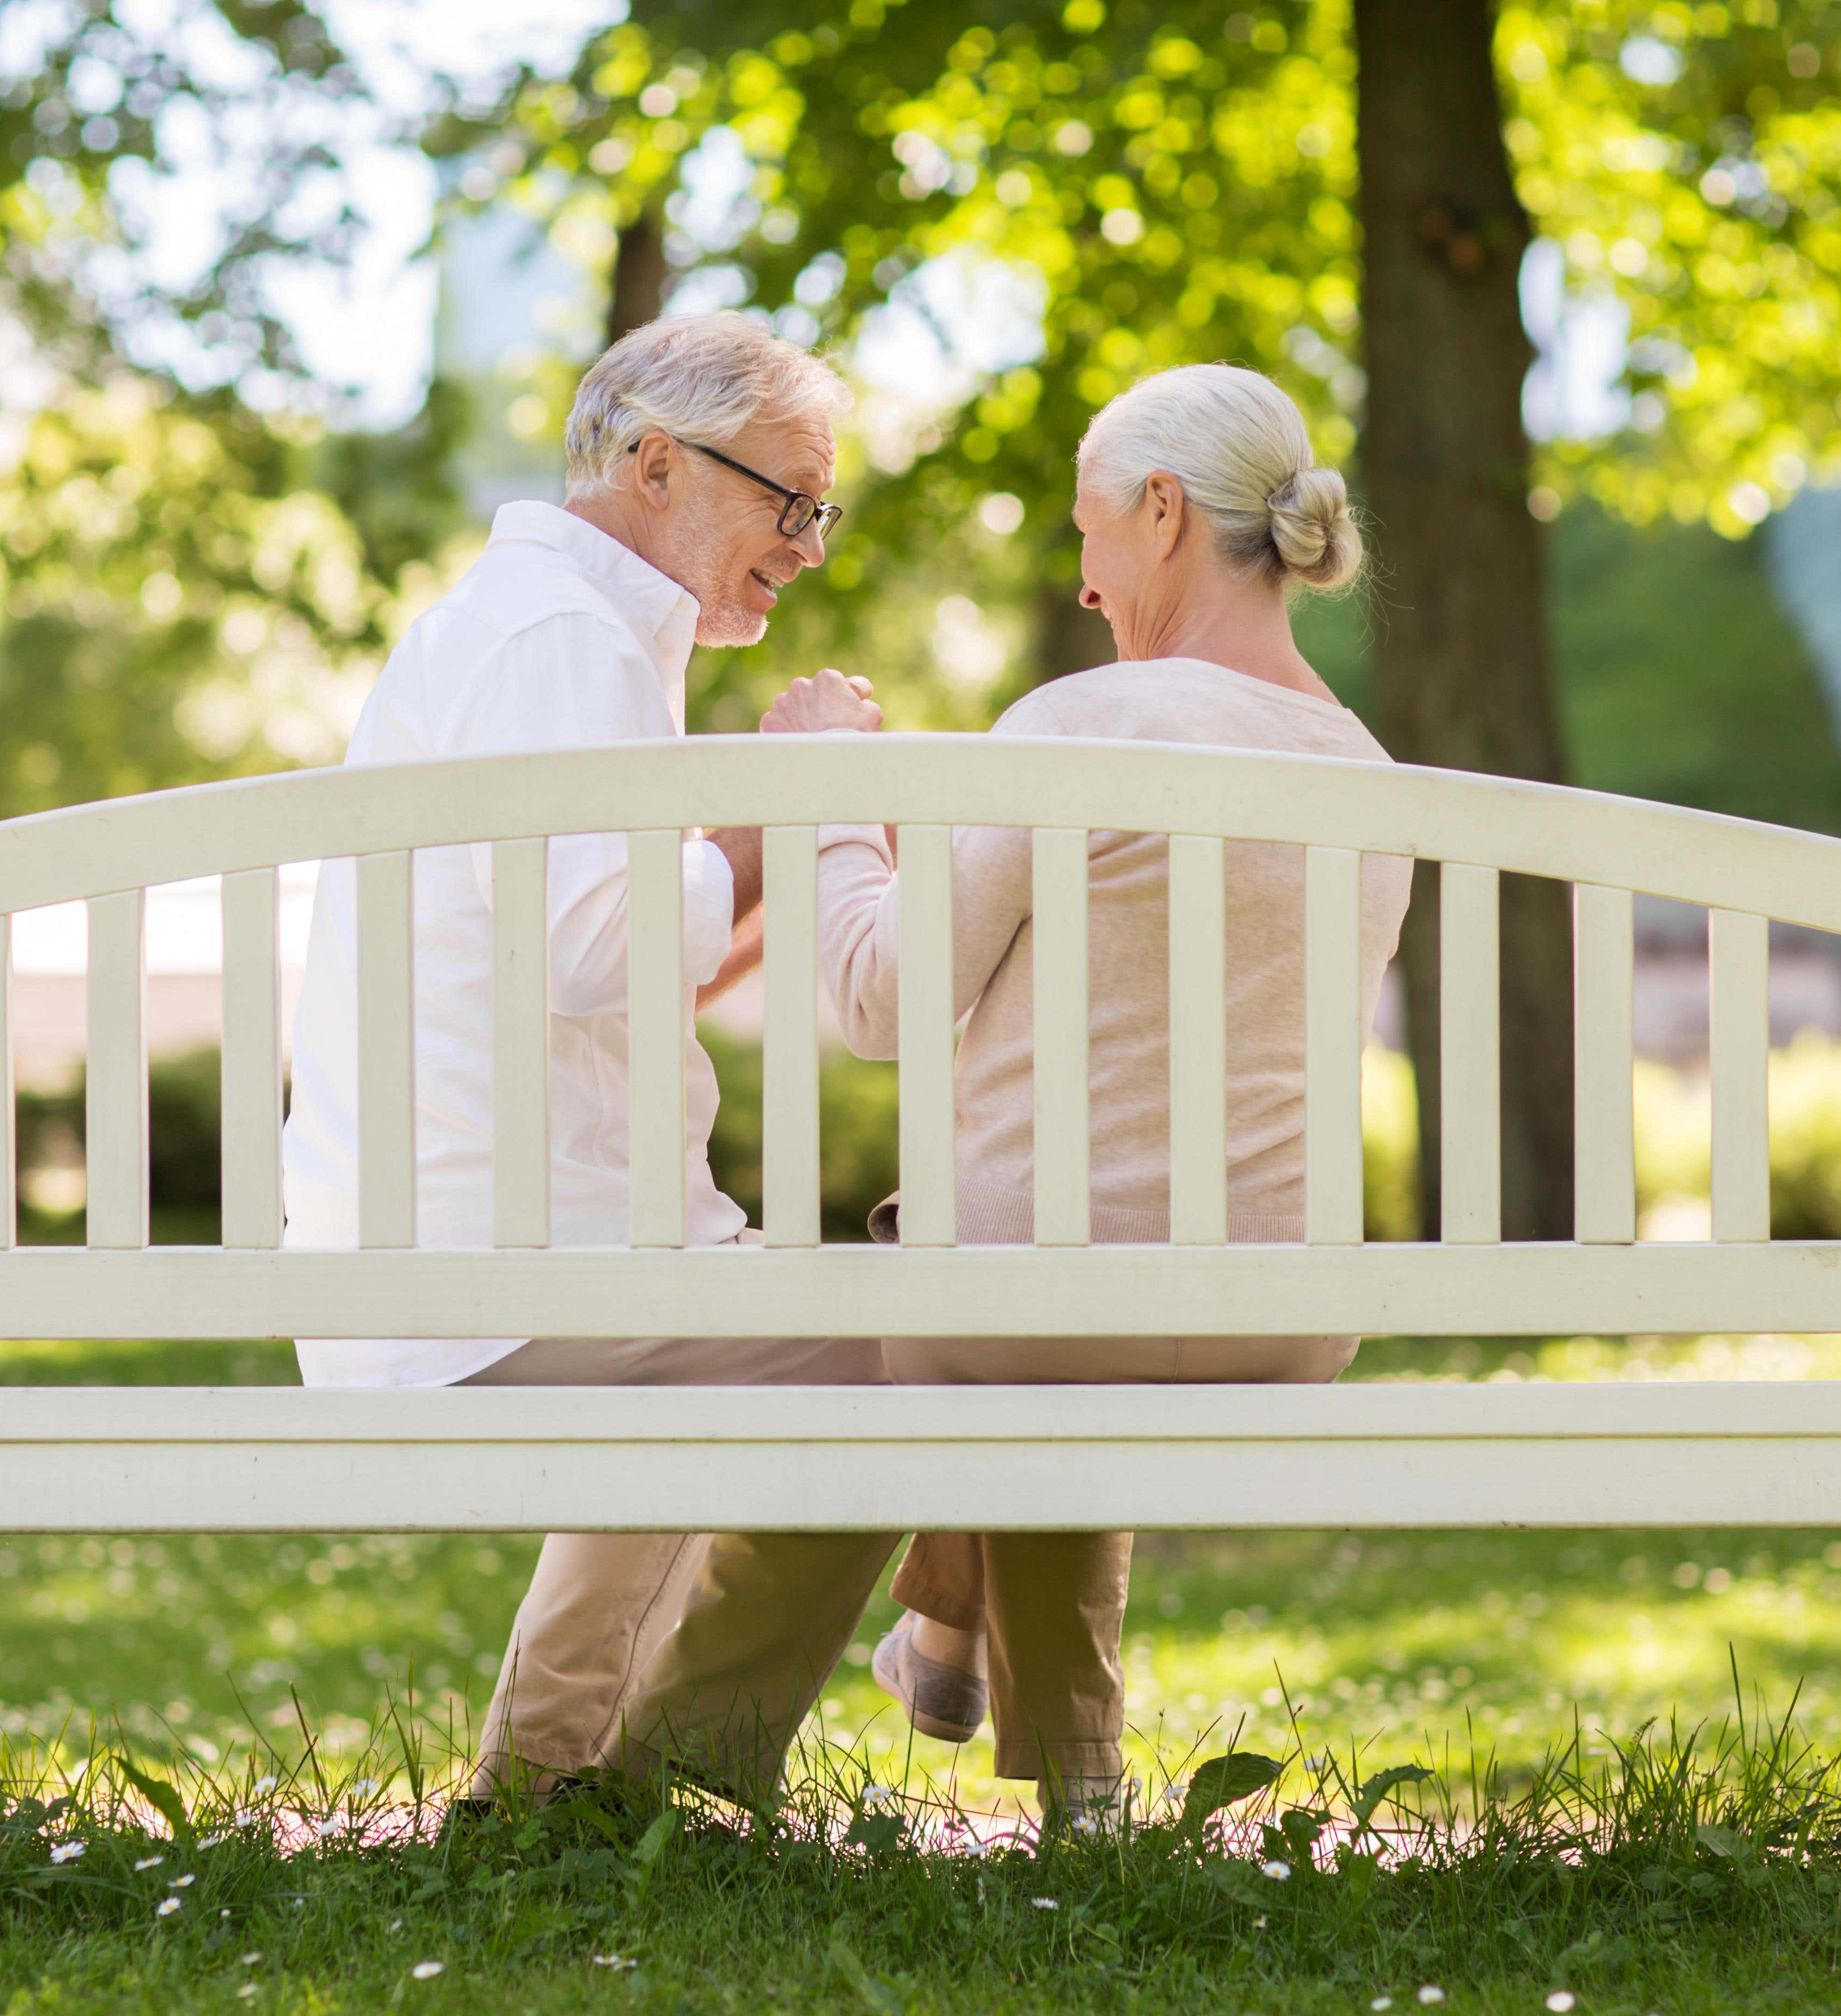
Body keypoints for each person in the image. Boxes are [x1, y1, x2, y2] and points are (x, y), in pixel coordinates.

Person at [605, 363, 1415, 1826]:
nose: (1091, 585)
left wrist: (825, 795)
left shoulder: (1085, 727)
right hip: (1285, 1313)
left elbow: (871, 1001)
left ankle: (670, 1778)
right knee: (1047, 1304)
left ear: (1162, 513)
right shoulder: (1360, 762)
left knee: (886, 1339)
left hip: (1045, 1303)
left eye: (1092, 533)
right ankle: (1069, 1777)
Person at [276, 313, 876, 1803]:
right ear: (656, 462)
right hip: (490, 1276)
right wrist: (770, 815)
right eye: (789, 499)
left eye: (822, 510)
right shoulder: (562, 641)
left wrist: (772, 853)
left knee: (761, 1332)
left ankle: (547, 1786)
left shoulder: (566, 632)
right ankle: (652, 1778)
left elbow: (609, 979)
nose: (809, 545)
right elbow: (594, 951)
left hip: (490, 1257)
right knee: (899, 1358)